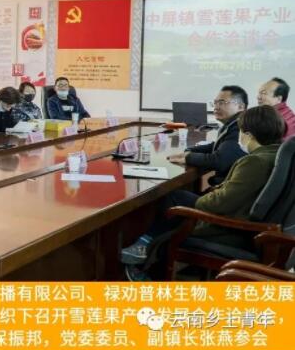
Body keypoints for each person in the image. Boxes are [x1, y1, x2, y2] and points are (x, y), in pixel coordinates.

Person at [122, 105, 285, 280]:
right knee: (180, 201)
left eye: (240, 131)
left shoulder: (255, 162)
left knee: (175, 206)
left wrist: (202, 200)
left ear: (249, 135)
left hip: (234, 232)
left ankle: (145, 260)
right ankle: (145, 246)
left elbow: (218, 203)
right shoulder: (278, 154)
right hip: (260, 231)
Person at [168, 85, 248, 185]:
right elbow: (219, 146)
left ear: (240, 106)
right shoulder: (232, 124)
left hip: (230, 189)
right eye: (215, 103)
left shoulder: (240, 128)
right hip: (227, 184)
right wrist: (190, 150)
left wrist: (189, 157)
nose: (216, 107)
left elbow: (219, 161)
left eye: (222, 102)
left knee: (173, 194)